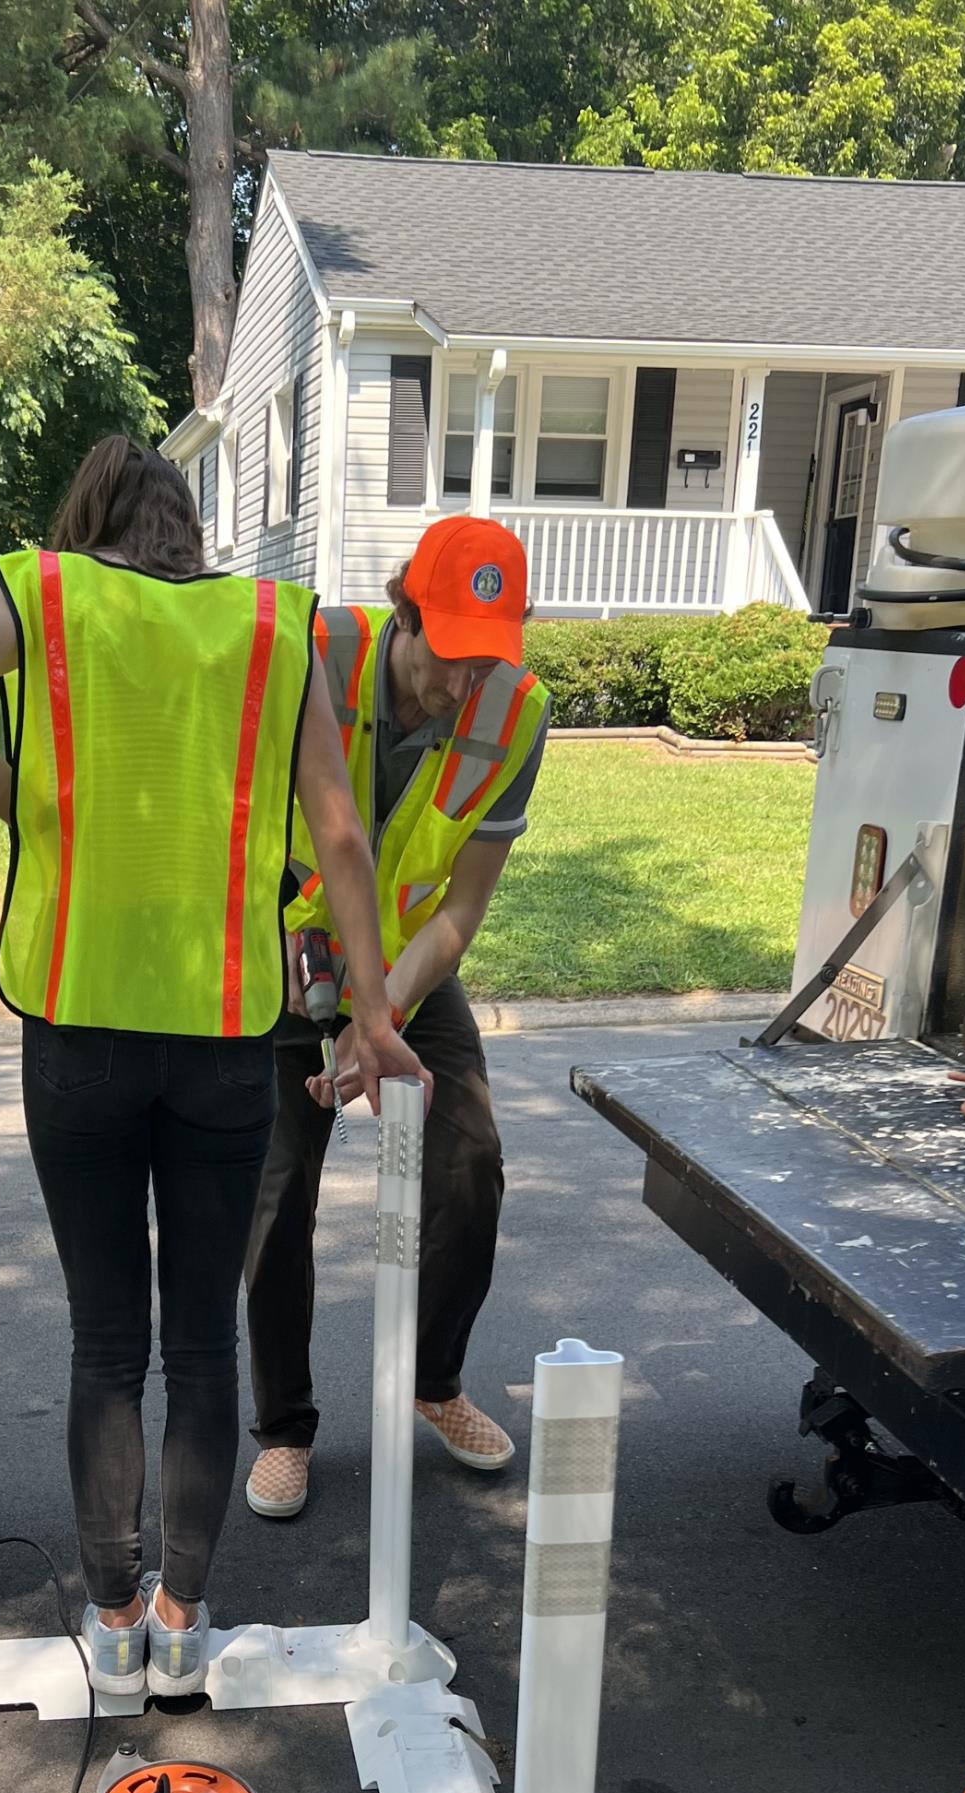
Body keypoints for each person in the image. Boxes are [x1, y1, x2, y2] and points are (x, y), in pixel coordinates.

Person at [0, 434, 425, 1699]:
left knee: (103, 1346)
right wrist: (370, 1006)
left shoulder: (50, 594)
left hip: (79, 1024)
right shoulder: (271, 625)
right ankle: (186, 1622)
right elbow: (341, 831)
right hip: (227, 1036)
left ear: (87, 523)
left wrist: (26, 800)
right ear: (192, 531)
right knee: (201, 1345)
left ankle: (114, 1623)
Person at [242, 516, 551, 1520]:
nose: (464, 687)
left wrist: (379, 1015)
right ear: (405, 613)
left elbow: (461, 908)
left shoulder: (518, 714)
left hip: (409, 964)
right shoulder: (317, 656)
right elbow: (231, 816)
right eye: (450, 655)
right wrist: (287, 967)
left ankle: (434, 1381)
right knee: (276, 1198)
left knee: (471, 1163)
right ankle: (285, 1427)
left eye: (488, 659)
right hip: (284, 961)